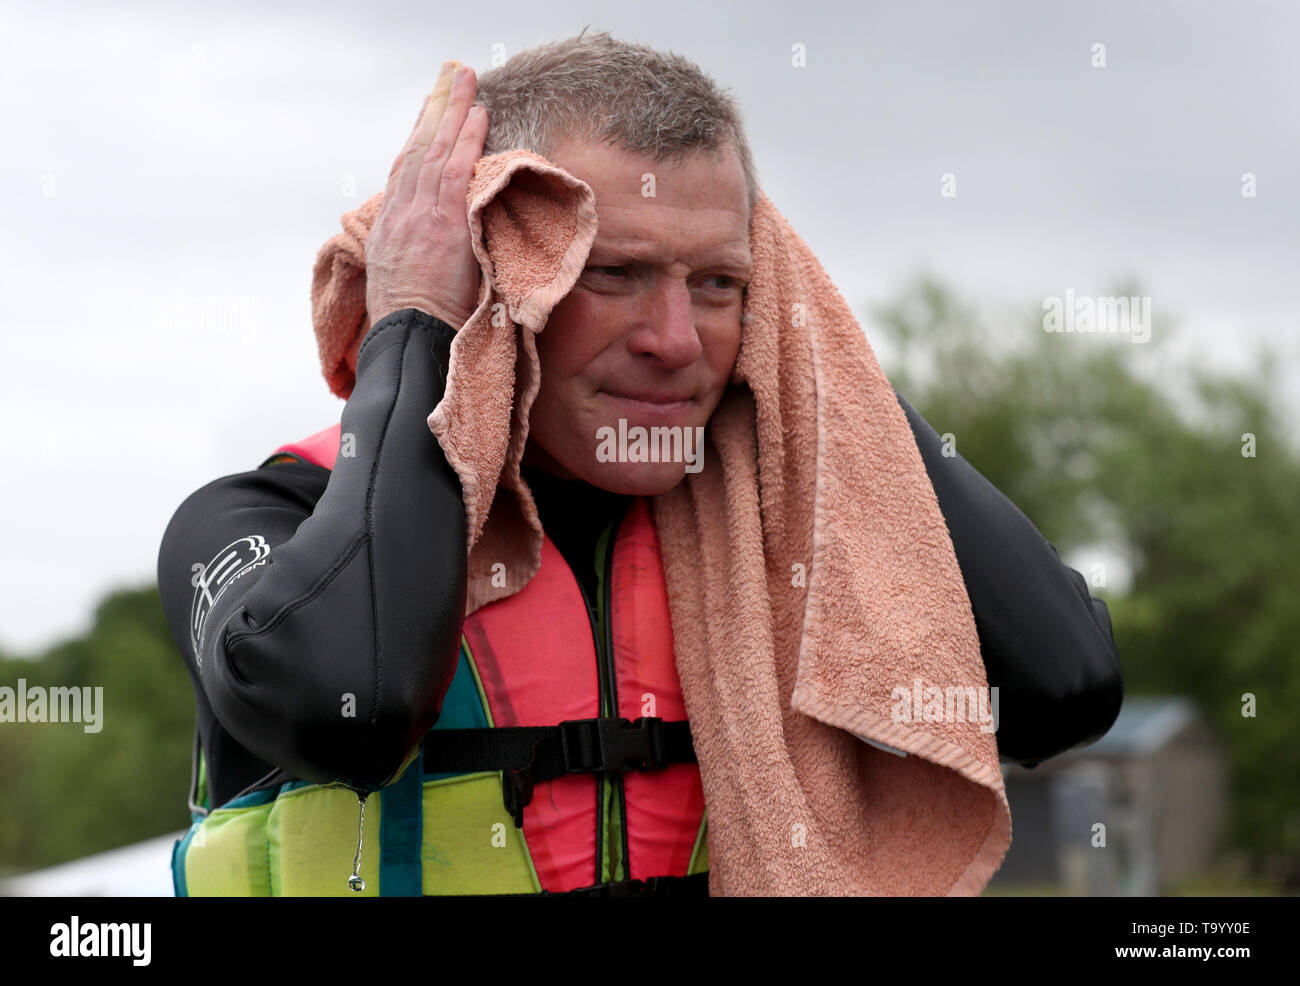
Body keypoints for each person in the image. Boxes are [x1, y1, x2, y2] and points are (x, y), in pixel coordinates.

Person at [156, 33, 1122, 896]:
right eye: (612, 272)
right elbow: (347, 708)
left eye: (718, 283)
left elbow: (1063, 689)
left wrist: (814, 348)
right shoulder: (265, 517)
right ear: (497, 272)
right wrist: (412, 319)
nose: (675, 341)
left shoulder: (766, 534)